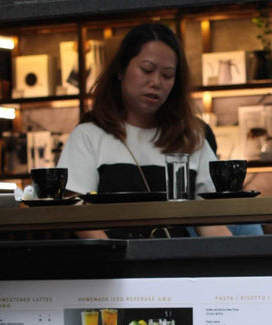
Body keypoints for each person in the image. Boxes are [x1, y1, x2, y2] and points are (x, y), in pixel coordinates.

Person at [56, 22, 251, 238]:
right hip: (114, 265)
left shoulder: (190, 138)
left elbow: (210, 221)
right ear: (121, 70)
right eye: (146, 70)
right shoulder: (89, 136)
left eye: (167, 75)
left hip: (179, 265)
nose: (156, 82)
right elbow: (80, 219)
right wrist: (123, 262)